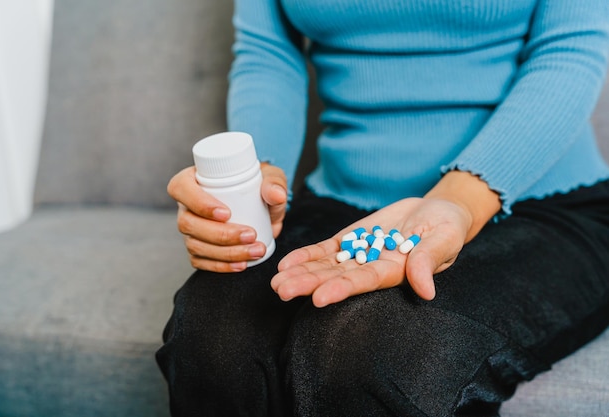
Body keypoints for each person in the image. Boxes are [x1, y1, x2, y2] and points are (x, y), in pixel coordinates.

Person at [156, 1, 609, 416]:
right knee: (210, 340)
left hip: (539, 201)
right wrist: (257, 185)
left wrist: (458, 201)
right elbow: (268, 53)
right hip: (343, 201)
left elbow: (569, 50)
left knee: (374, 352)